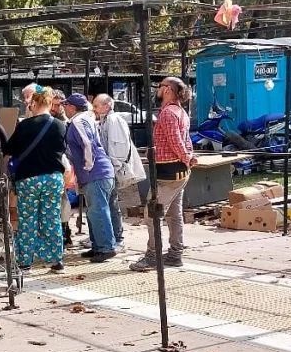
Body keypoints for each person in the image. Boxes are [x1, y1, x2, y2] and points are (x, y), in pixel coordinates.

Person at [131, 76, 197, 272]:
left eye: (160, 86)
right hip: (177, 172)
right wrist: (188, 157)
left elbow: (176, 141)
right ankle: (175, 254)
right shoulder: (180, 111)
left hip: (169, 173)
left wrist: (186, 157)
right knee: (174, 215)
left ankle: (152, 256)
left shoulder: (168, 113)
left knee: (152, 214)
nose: (157, 89)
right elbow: (184, 140)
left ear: (168, 89)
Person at [5, 84, 67, 273]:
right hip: (53, 178)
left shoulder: (24, 126)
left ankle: (25, 261)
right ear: (50, 104)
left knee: (27, 219)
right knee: (52, 218)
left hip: (28, 179)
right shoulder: (60, 125)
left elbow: (9, 149)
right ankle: (56, 260)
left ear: (33, 104)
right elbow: (62, 149)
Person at [62, 94, 117, 262]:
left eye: (66, 105)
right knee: (94, 211)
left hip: (95, 173)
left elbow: (88, 143)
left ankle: (106, 247)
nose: (64, 108)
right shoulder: (86, 119)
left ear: (72, 107)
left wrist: (87, 166)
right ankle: (98, 246)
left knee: (97, 210)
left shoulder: (78, 122)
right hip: (98, 173)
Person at [93, 94, 137, 252]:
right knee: (111, 203)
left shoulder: (113, 121)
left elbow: (118, 147)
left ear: (106, 106)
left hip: (113, 169)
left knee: (112, 204)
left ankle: (118, 238)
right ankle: (113, 235)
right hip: (110, 168)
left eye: (97, 106)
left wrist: (114, 166)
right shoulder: (105, 121)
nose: (94, 109)